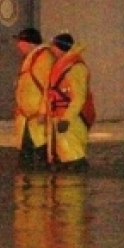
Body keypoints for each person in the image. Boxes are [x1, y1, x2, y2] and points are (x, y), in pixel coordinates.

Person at [46, 32, 91, 170]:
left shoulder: (76, 68)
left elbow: (79, 97)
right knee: (66, 156)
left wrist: (67, 119)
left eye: (53, 46)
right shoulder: (64, 64)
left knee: (74, 156)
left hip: (71, 120)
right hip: (61, 117)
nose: (52, 50)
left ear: (60, 47)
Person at [12, 27, 54, 167]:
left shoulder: (44, 58)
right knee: (27, 158)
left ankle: (37, 186)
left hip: (37, 120)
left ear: (28, 43)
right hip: (27, 120)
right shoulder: (31, 58)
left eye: (20, 42)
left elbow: (49, 87)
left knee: (37, 158)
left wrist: (43, 111)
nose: (18, 45)